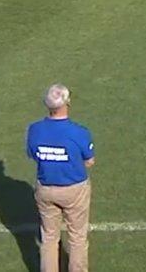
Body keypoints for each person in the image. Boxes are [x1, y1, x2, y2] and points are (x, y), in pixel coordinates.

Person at [27, 84, 95, 272]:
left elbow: (34, 155)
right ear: (67, 102)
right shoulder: (79, 132)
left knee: (49, 238)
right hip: (74, 189)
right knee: (77, 238)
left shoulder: (34, 130)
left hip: (46, 188)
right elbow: (89, 161)